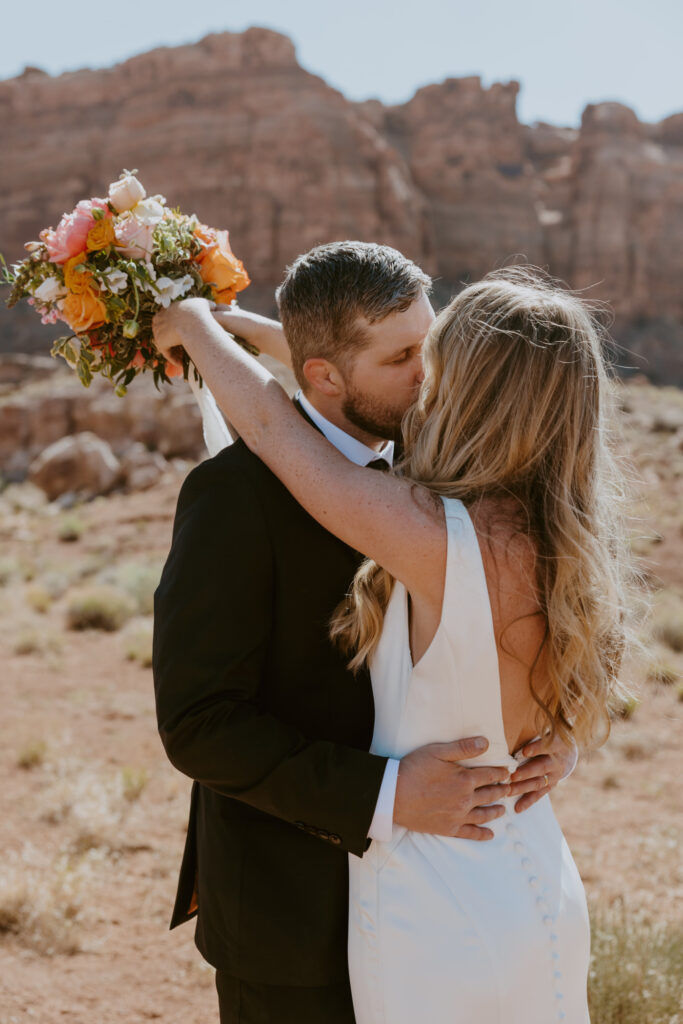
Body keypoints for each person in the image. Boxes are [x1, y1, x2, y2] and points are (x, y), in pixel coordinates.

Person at [153, 245, 579, 1024]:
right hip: (293, 919)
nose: (431, 375)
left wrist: (547, 732)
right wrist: (383, 795)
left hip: (447, 909)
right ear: (323, 376)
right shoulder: (231, 497)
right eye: (404, 357)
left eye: (434, 347)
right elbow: (199, 724)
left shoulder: (448, 466)